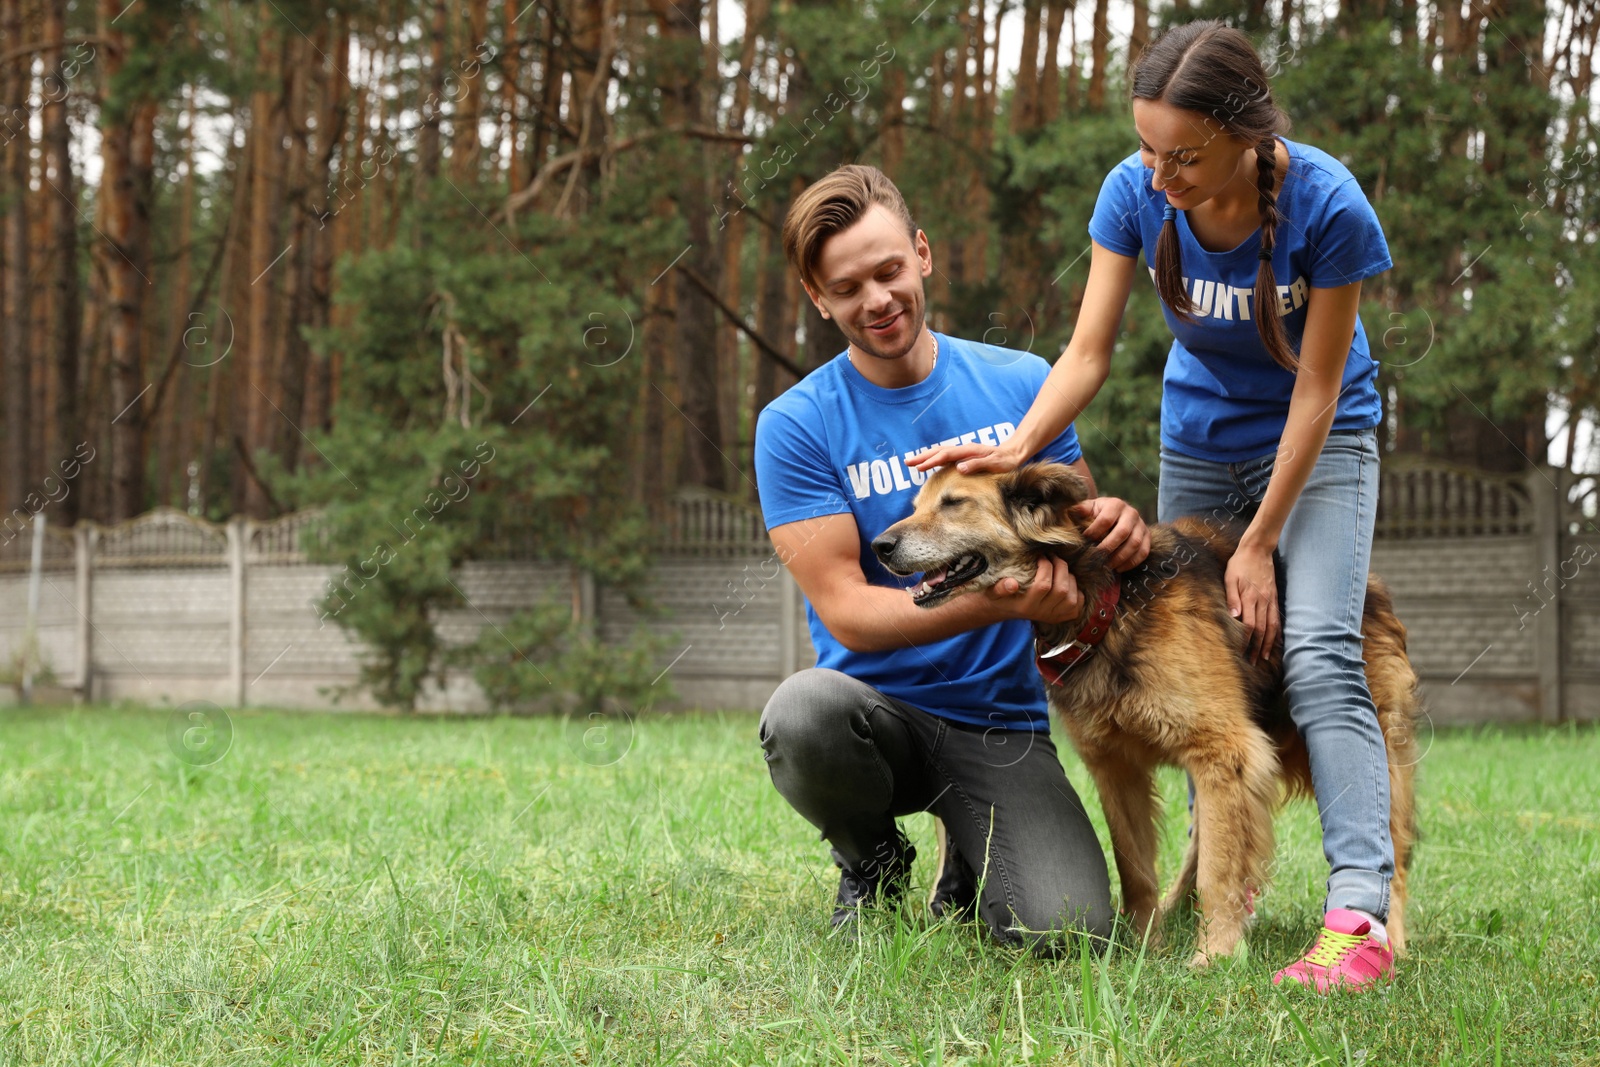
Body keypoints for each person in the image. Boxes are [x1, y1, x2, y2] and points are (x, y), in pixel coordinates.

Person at [911, 21, 1398, 992]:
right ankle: (1211, 887)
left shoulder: (1328, 206)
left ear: (1248, 134)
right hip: (1200, 437)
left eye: (1185, 155)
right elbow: (1087, 352)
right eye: (1146, 148)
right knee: (1199, 687)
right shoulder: (1134, 195)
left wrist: (1258, 544)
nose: (1159, 174)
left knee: (1314, 651)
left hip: (1321, 437)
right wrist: (1013, 447)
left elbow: (1315, 387)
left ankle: (1358, 911)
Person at [752, 163, 1151, 955]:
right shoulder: (794, 425)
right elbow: (848, 612)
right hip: (873, 719)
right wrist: (1006, 600)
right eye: (849, 286)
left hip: (1001, 723)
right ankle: (872, 860)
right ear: (818, 297)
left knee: (1064, 932)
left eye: (890, 270)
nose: (878, 300)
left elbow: (1076, 550)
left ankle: (971, 863)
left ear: (923, 254)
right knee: (802, 713)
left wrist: (1119, 525)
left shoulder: (1023, 385)